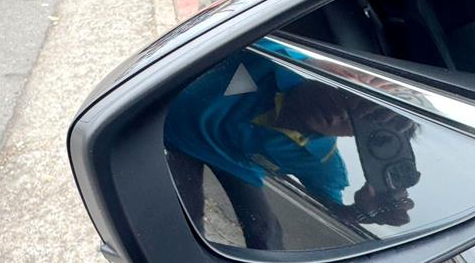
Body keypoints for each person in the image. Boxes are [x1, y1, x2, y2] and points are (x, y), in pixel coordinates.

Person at [165, 41, 420, 250]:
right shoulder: (271, 57)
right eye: (351, 92)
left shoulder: (323, 162)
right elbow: (235, 34)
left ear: (361, 141)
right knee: (181, 216)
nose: (343, 112)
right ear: (342, 70)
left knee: (266, 232)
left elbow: (328, 209)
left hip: (232, 162)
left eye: (362, 122)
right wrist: (315, 63)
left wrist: (361, 212)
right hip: (173, 134)